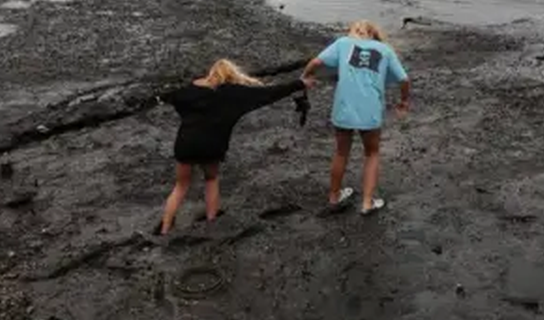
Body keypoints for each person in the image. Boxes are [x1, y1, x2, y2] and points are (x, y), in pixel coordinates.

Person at [157, 59, 314, 235]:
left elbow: (170, 98)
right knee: (211, 179)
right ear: (231, 75)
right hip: (212, 145)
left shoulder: (186, 92)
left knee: (180, 186)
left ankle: (165, 229)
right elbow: (268, 93)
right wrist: (299, 83)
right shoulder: (234, 95)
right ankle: (211, 222)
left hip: (186, 142)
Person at [303, 20, 410, 215]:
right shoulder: (384, 49)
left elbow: (316, 62)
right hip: (370, 111)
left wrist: (306, 76)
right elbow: (404, 79)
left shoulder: (344, 43)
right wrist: (403, 101)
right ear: (373, 34)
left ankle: (334, 197)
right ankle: (367, 203)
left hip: (344, 108)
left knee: (341, 152)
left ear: (354, 32)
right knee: (372, 153)